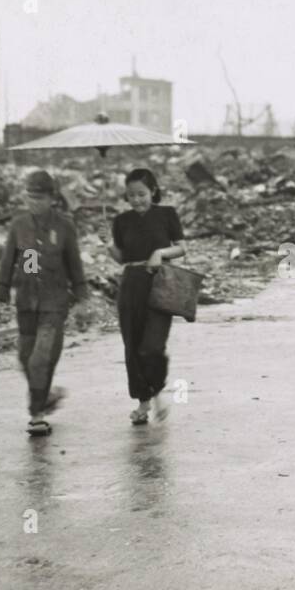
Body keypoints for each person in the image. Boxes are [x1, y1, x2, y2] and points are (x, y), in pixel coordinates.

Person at [0, 168, 91, 436]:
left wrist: (82, 300)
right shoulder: (20, 226)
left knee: (39, 359)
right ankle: (45, 396)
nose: (33, 203)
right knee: (25, 358)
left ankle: (36, 414)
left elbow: (75, 266)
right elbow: (10, 263)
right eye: (29, 197)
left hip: (55, 303)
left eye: (39, 198)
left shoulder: (64, 226)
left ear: (52, 198)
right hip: (26, 302)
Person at [111, 168, 186, 425]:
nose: (136, 200)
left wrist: (161, 253)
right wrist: (107, 245)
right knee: (132, 346)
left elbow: (182, 248)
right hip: (131, 285)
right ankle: (143, 402)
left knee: (153, 346)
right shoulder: (121, 221)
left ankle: (158, 393)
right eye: (131, 195)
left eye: (141, 194)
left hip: (160, 283)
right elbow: (121, 257)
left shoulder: (167, 214)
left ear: (153, 191)